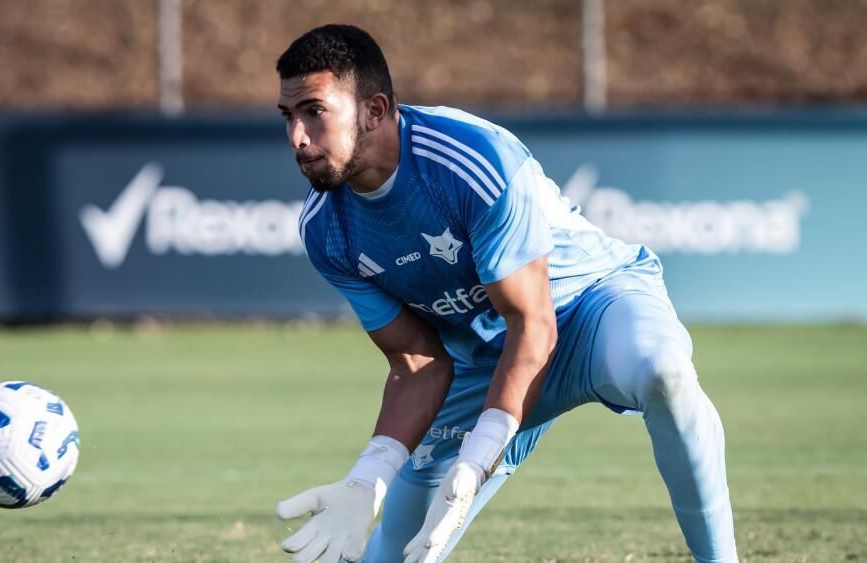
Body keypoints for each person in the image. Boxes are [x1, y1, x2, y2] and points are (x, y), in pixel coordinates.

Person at [273, 24, 737, 563]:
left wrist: (479, 455)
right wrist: (367, 477)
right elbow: (416, 364)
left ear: (374, 110)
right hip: (485, 360)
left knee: (664, 371)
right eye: (288, 117)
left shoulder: (473, 159)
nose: (297, 138)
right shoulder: (323, 229)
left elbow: (534, 321)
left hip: (591, 306)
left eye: (314, 111)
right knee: (390, 556)